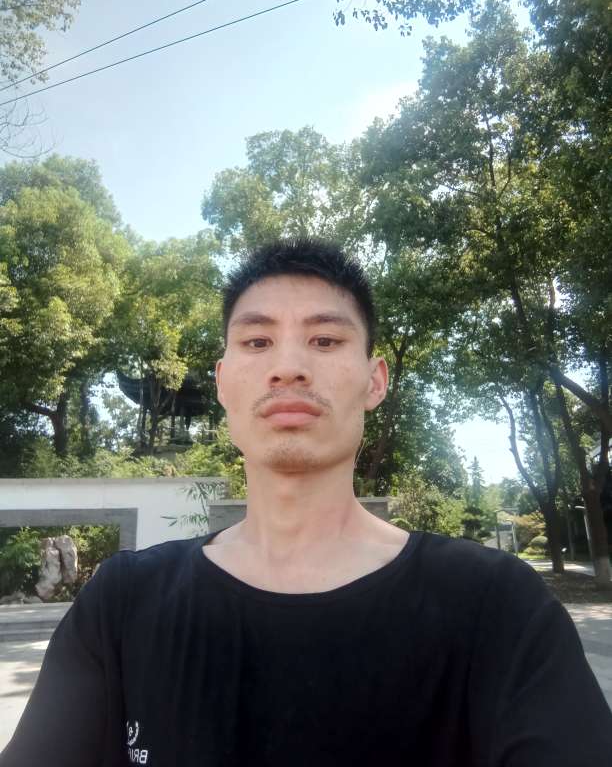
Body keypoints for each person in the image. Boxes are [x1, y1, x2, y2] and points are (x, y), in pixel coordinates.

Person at [2, 237, 612, 766]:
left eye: (323, 339)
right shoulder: (120, 605)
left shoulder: (497, 607)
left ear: (375, 380)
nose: (288, 367)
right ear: (222, 382)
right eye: (257, 341)